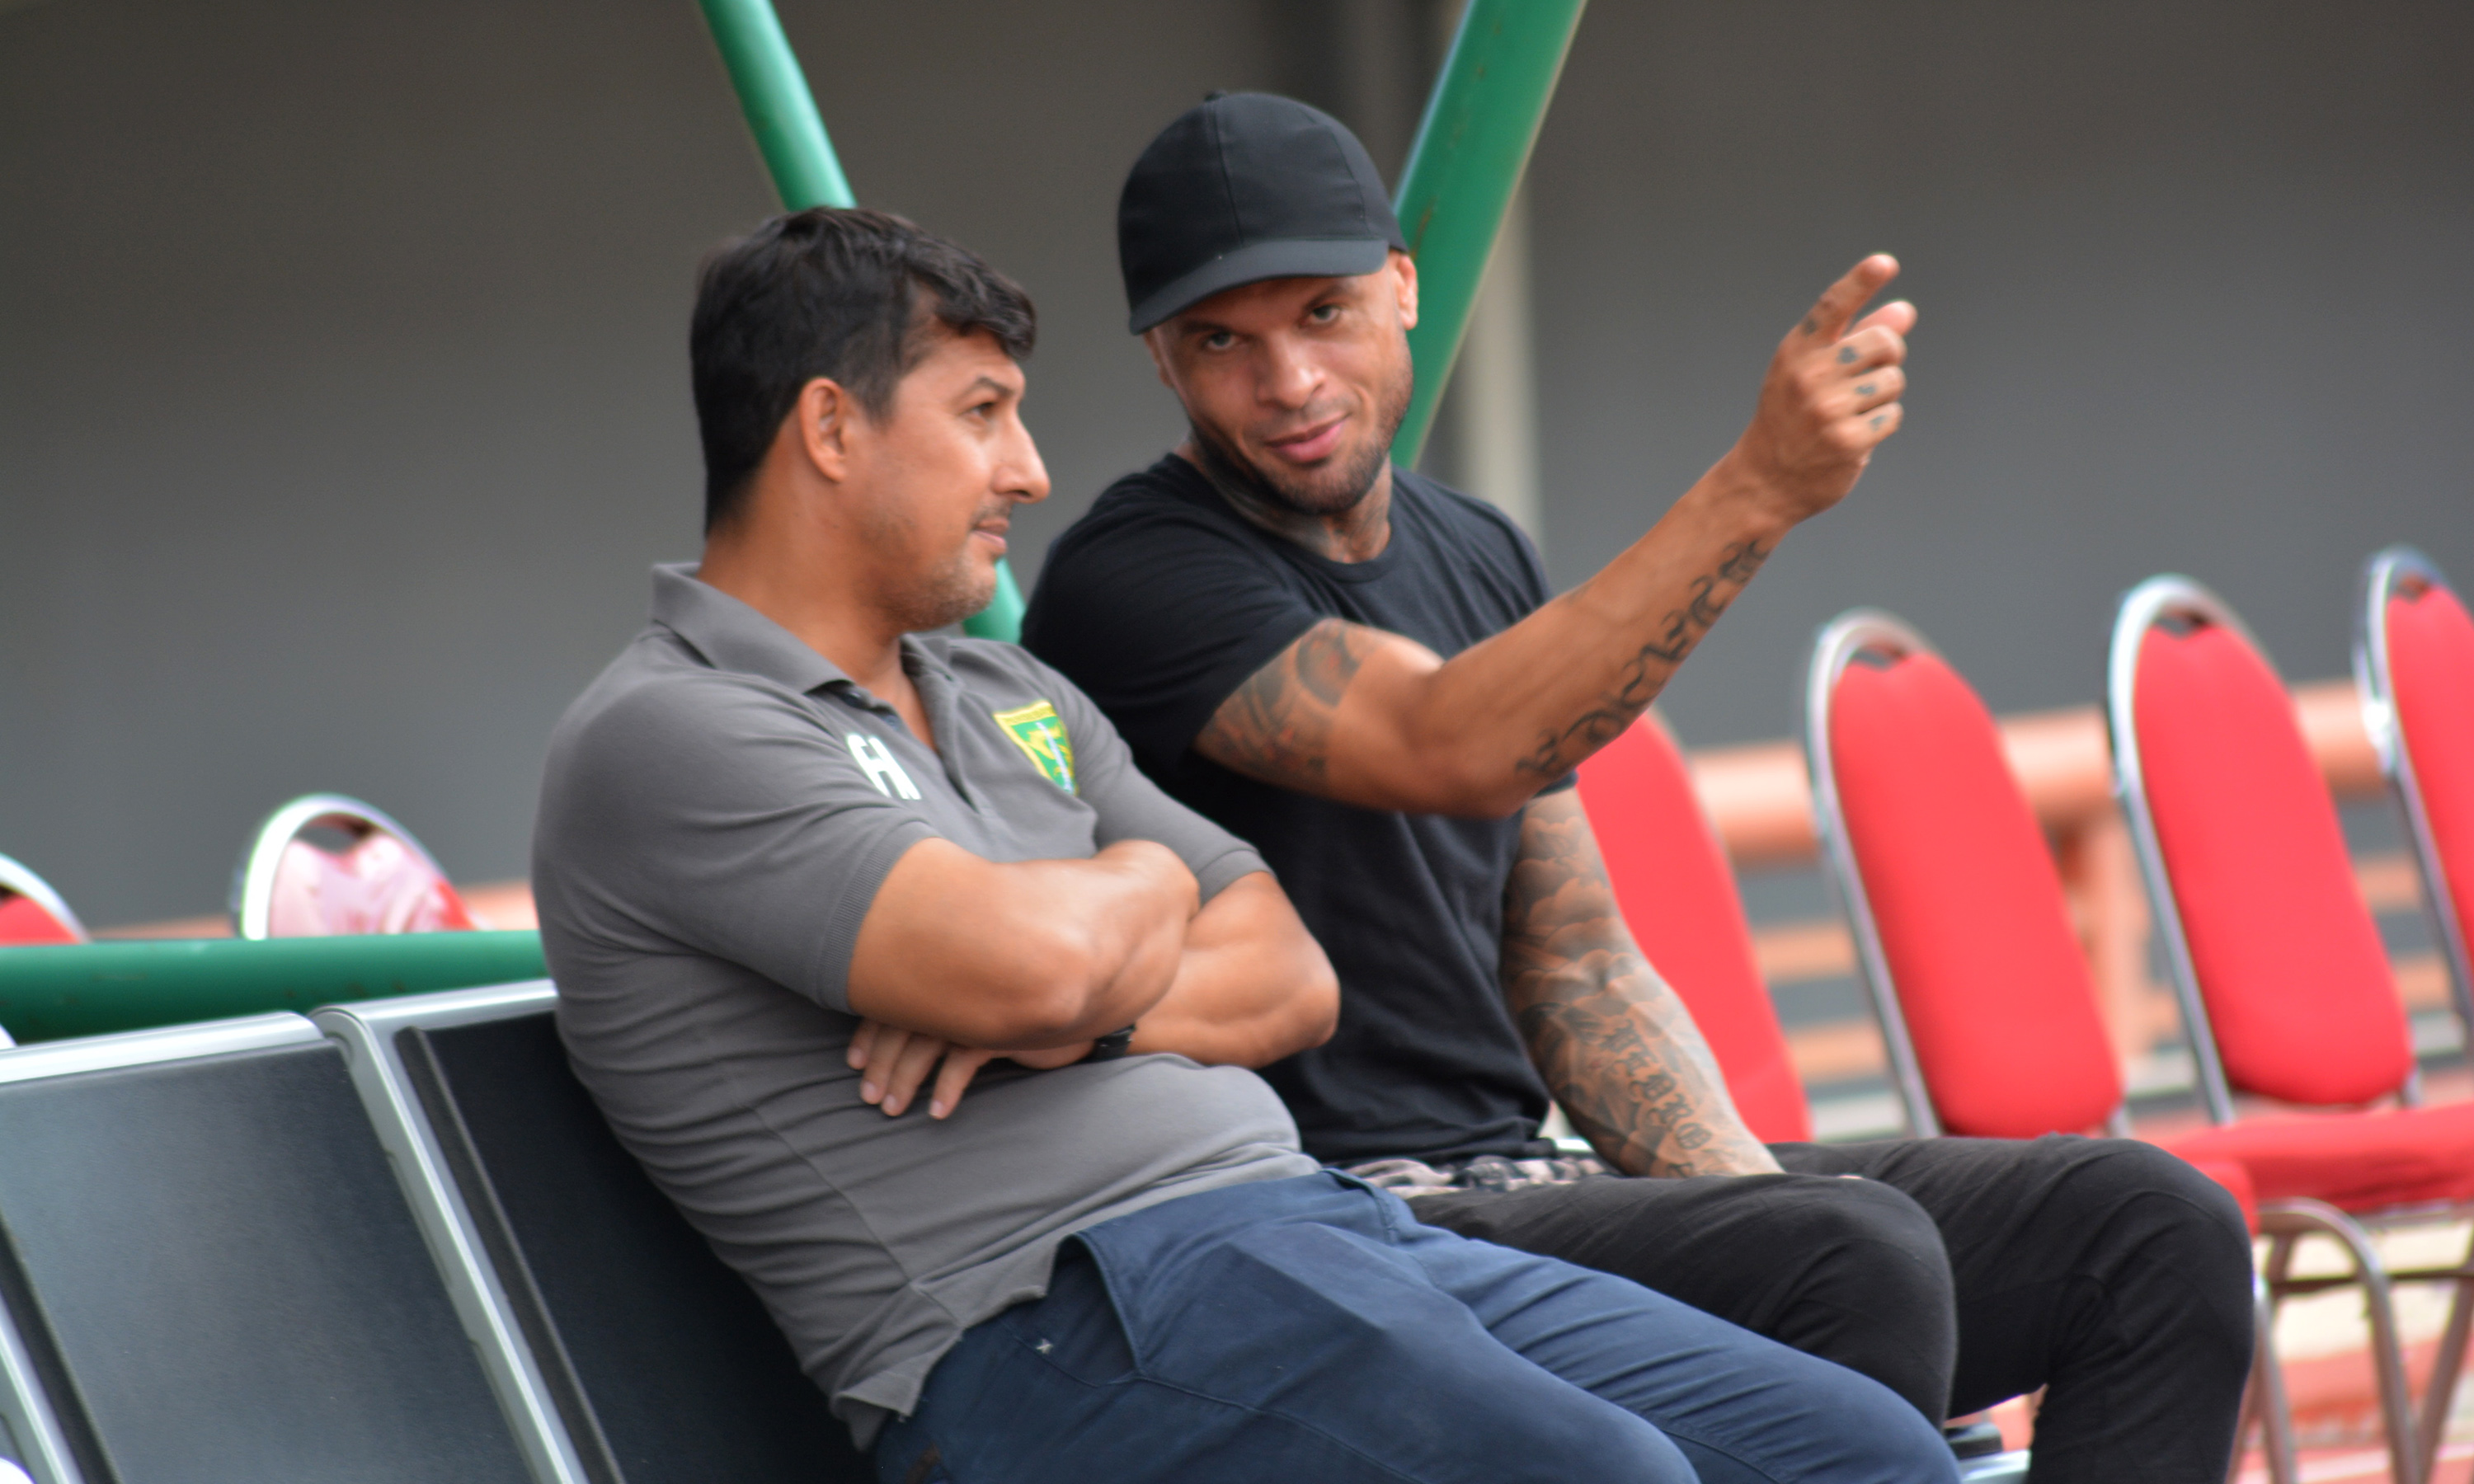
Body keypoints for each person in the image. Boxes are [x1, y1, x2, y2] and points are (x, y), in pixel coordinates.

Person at [532, 204, 1958, 1484]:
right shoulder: (677, 729)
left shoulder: (1003, 690)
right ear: (832, 431)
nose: (1027, 470)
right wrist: (1142, 886)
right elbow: (1034, 969)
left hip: (1314, 1232)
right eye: (981, 413)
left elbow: (1287, 976)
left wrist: (1087, 977)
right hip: (1049, 1327)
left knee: (1857, 1450)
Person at [1018, 93, 2256, 1482]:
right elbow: (1448, 740)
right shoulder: (1131, 579)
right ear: (1164, 368)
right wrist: (1755, 490)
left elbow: (1574, 957)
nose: (1289, 379)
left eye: (1323, 313)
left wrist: (1749, 1200)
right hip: (1324, 1228)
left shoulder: (1474, 547)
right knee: (1850, 1257)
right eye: (1222, 344)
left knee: (2155, 1226)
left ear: (1404, 287)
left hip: (1529, 1186)